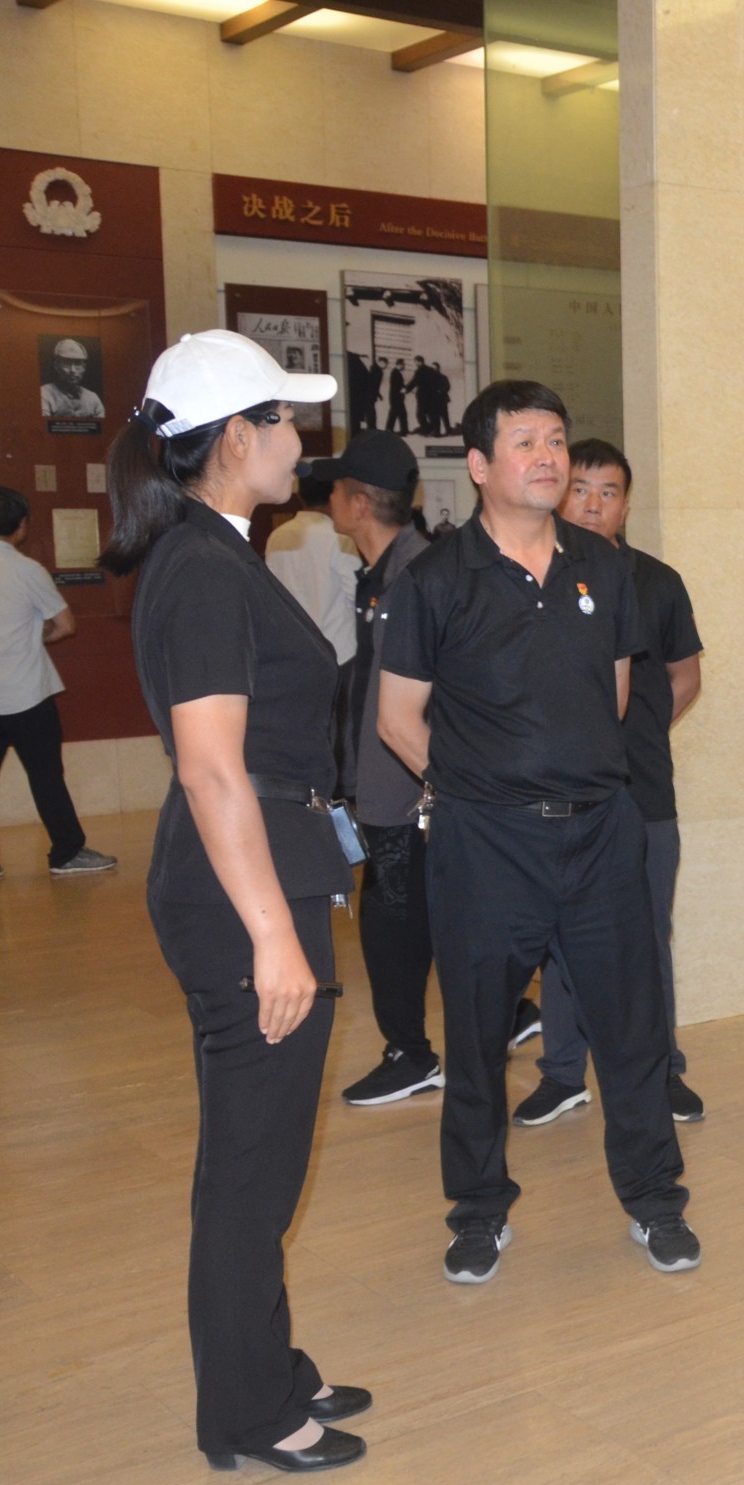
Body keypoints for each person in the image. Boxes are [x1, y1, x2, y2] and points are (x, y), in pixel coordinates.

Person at [102, 329, 366, 1472]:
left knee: (260, 1154)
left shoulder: (213, 554)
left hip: (261, 864)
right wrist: (271, 935)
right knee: (253, 1168)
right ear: (232, 441)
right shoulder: (204, 569)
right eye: (282, 420)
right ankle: (250, 1415)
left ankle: (268, 1369)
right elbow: (213, 770)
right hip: (241, 886)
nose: (299, 440)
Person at [378, 379, 697, 1283]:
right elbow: (398, 718)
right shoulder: (436, 580)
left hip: (601, 834)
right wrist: (473, 791)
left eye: (556, 439)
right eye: (526, 442)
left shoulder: (605, 569)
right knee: (478, 1038)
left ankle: (655, 1202)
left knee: (631, 1032)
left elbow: (617, 695)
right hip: (486, 845)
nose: (549, 457)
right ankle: (478, 1213)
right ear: (480, 465)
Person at [519, 439, 708, 1127]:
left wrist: (638, 729)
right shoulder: (532, 579)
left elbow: (685, 675)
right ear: (559, 494)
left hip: (643, 790)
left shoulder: (657, 582)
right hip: (557, 795)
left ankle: (663, 1070)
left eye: (609, 492)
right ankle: (563, 1072)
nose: (593, 505)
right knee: (561, 936)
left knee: (648, 936)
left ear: (626, 505)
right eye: (581, 489)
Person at [305, 431, 447, 1110]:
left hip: (409, 792)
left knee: (392, 926)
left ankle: (410, 1055)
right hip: (388, 786)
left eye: (336, 489)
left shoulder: (415, 578)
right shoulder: (384, 574)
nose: (328, 499)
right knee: (415, 920)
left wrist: (437, 786)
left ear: (359, 503)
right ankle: (508, 1018)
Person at [0, 485, 114, 884]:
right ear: (23, 526)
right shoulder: (26, 570)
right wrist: (34, 636)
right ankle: (67, 852)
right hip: (26, 695)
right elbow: (65, 625)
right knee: (45, 775)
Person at [262, 476, 358, 664]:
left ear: (300, 496)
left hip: (293, 651)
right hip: (339, 651)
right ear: (334, 496)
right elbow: (357, 594)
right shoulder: (339, 538)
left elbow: (270, 596)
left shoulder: (277, 536)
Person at [41, 337, 104, 418]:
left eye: (78, 364)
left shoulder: (92, 398)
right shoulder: (45, 394)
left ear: (84, 368)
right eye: (66, 363)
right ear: (56, 366)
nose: (72, 370)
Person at [385, 362, 410, 434]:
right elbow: (396, 385)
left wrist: (404, 388)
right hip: (396, 397)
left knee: (395, 414)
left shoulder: (396, 372)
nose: (404, 367)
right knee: (400, 414)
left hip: (395, 397)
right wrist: (403, 389)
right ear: (399, 365)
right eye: (403, 365)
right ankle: (403, 430)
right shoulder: (395, 373)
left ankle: (390, 429)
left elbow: (399, 384)